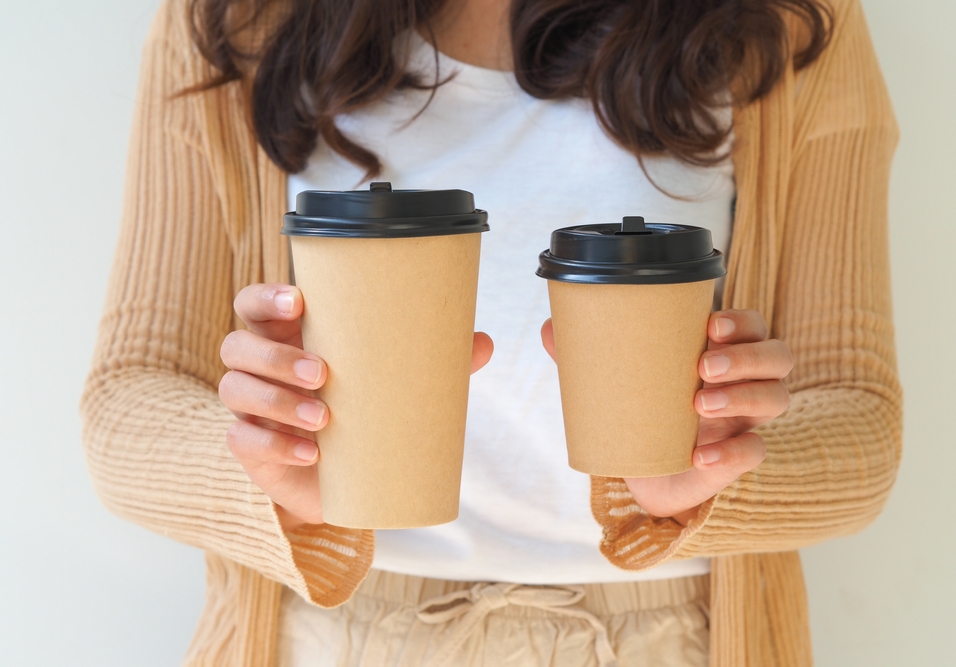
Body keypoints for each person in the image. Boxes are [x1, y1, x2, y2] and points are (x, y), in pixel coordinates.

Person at [80, 0, 902, 664]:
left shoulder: (786, 22)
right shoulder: (238, 21)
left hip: (672, 638)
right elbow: (128, 393)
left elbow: (860, 410)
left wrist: (710, 472)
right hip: (331, 635)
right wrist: (266, 464)